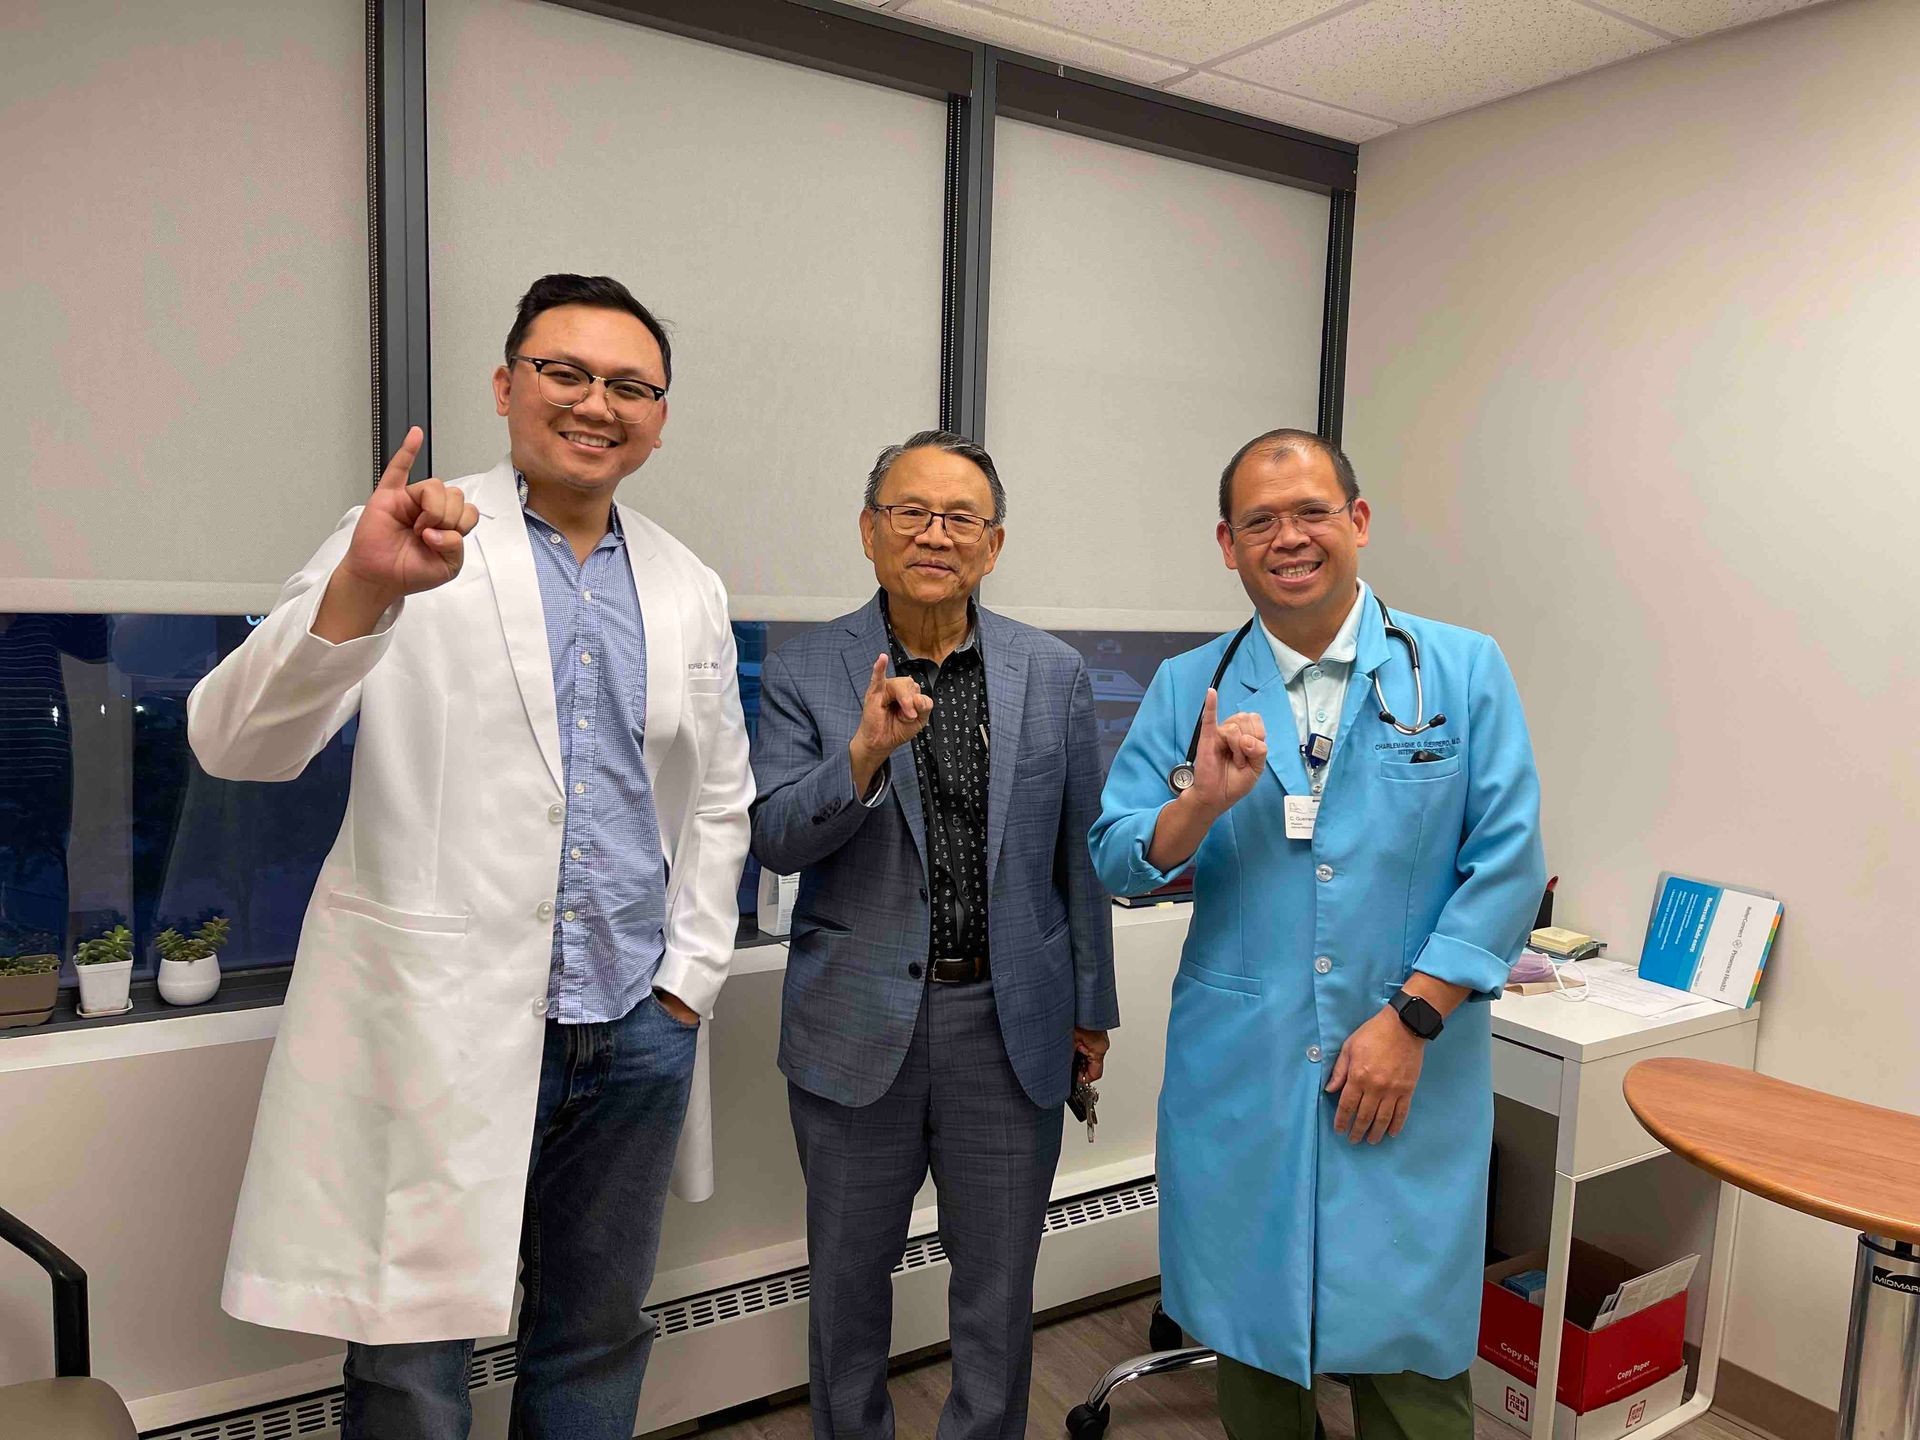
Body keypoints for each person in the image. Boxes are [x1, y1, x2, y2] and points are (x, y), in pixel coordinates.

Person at [189, 274, 753, 1440]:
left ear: (660, 416)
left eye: (630, 385)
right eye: (566, 373)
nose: (598, 403)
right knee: (410, 1365)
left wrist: (687, 981)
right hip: (441, 1021)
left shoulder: (689, 584)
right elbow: (237, 742)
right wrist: (359, 593)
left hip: (635, 1030)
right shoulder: (411, 539)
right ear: (506, 388)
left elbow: (717, 802)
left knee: (595, 1335)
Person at [1090, 429, 1545, 1440]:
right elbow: (1118, 855)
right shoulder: (1188, 687)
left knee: (1410, 1361)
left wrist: (1412, 1019)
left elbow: (1508, 861)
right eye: (1259, 522)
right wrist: (1198, 804)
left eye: (1310, 512)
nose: (1287, 538)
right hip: (1243, 1072)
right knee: (1256, 1344)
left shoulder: (1461, 672)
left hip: (1410, 1067)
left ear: (1358, 521)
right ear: (1226, 544)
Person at [750, 430, 1117, 1440]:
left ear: (994, 546)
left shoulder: (1052, 673)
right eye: (911, 512)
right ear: (869, 531)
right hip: (855, 1025)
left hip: (1009, 1026)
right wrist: (863, 753)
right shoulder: (806, 668)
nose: (935, 534)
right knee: (849, 1290)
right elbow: (775, 839)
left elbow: (1077, 859)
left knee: (998, 1293)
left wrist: (1093, 1011)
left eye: (961, 518)